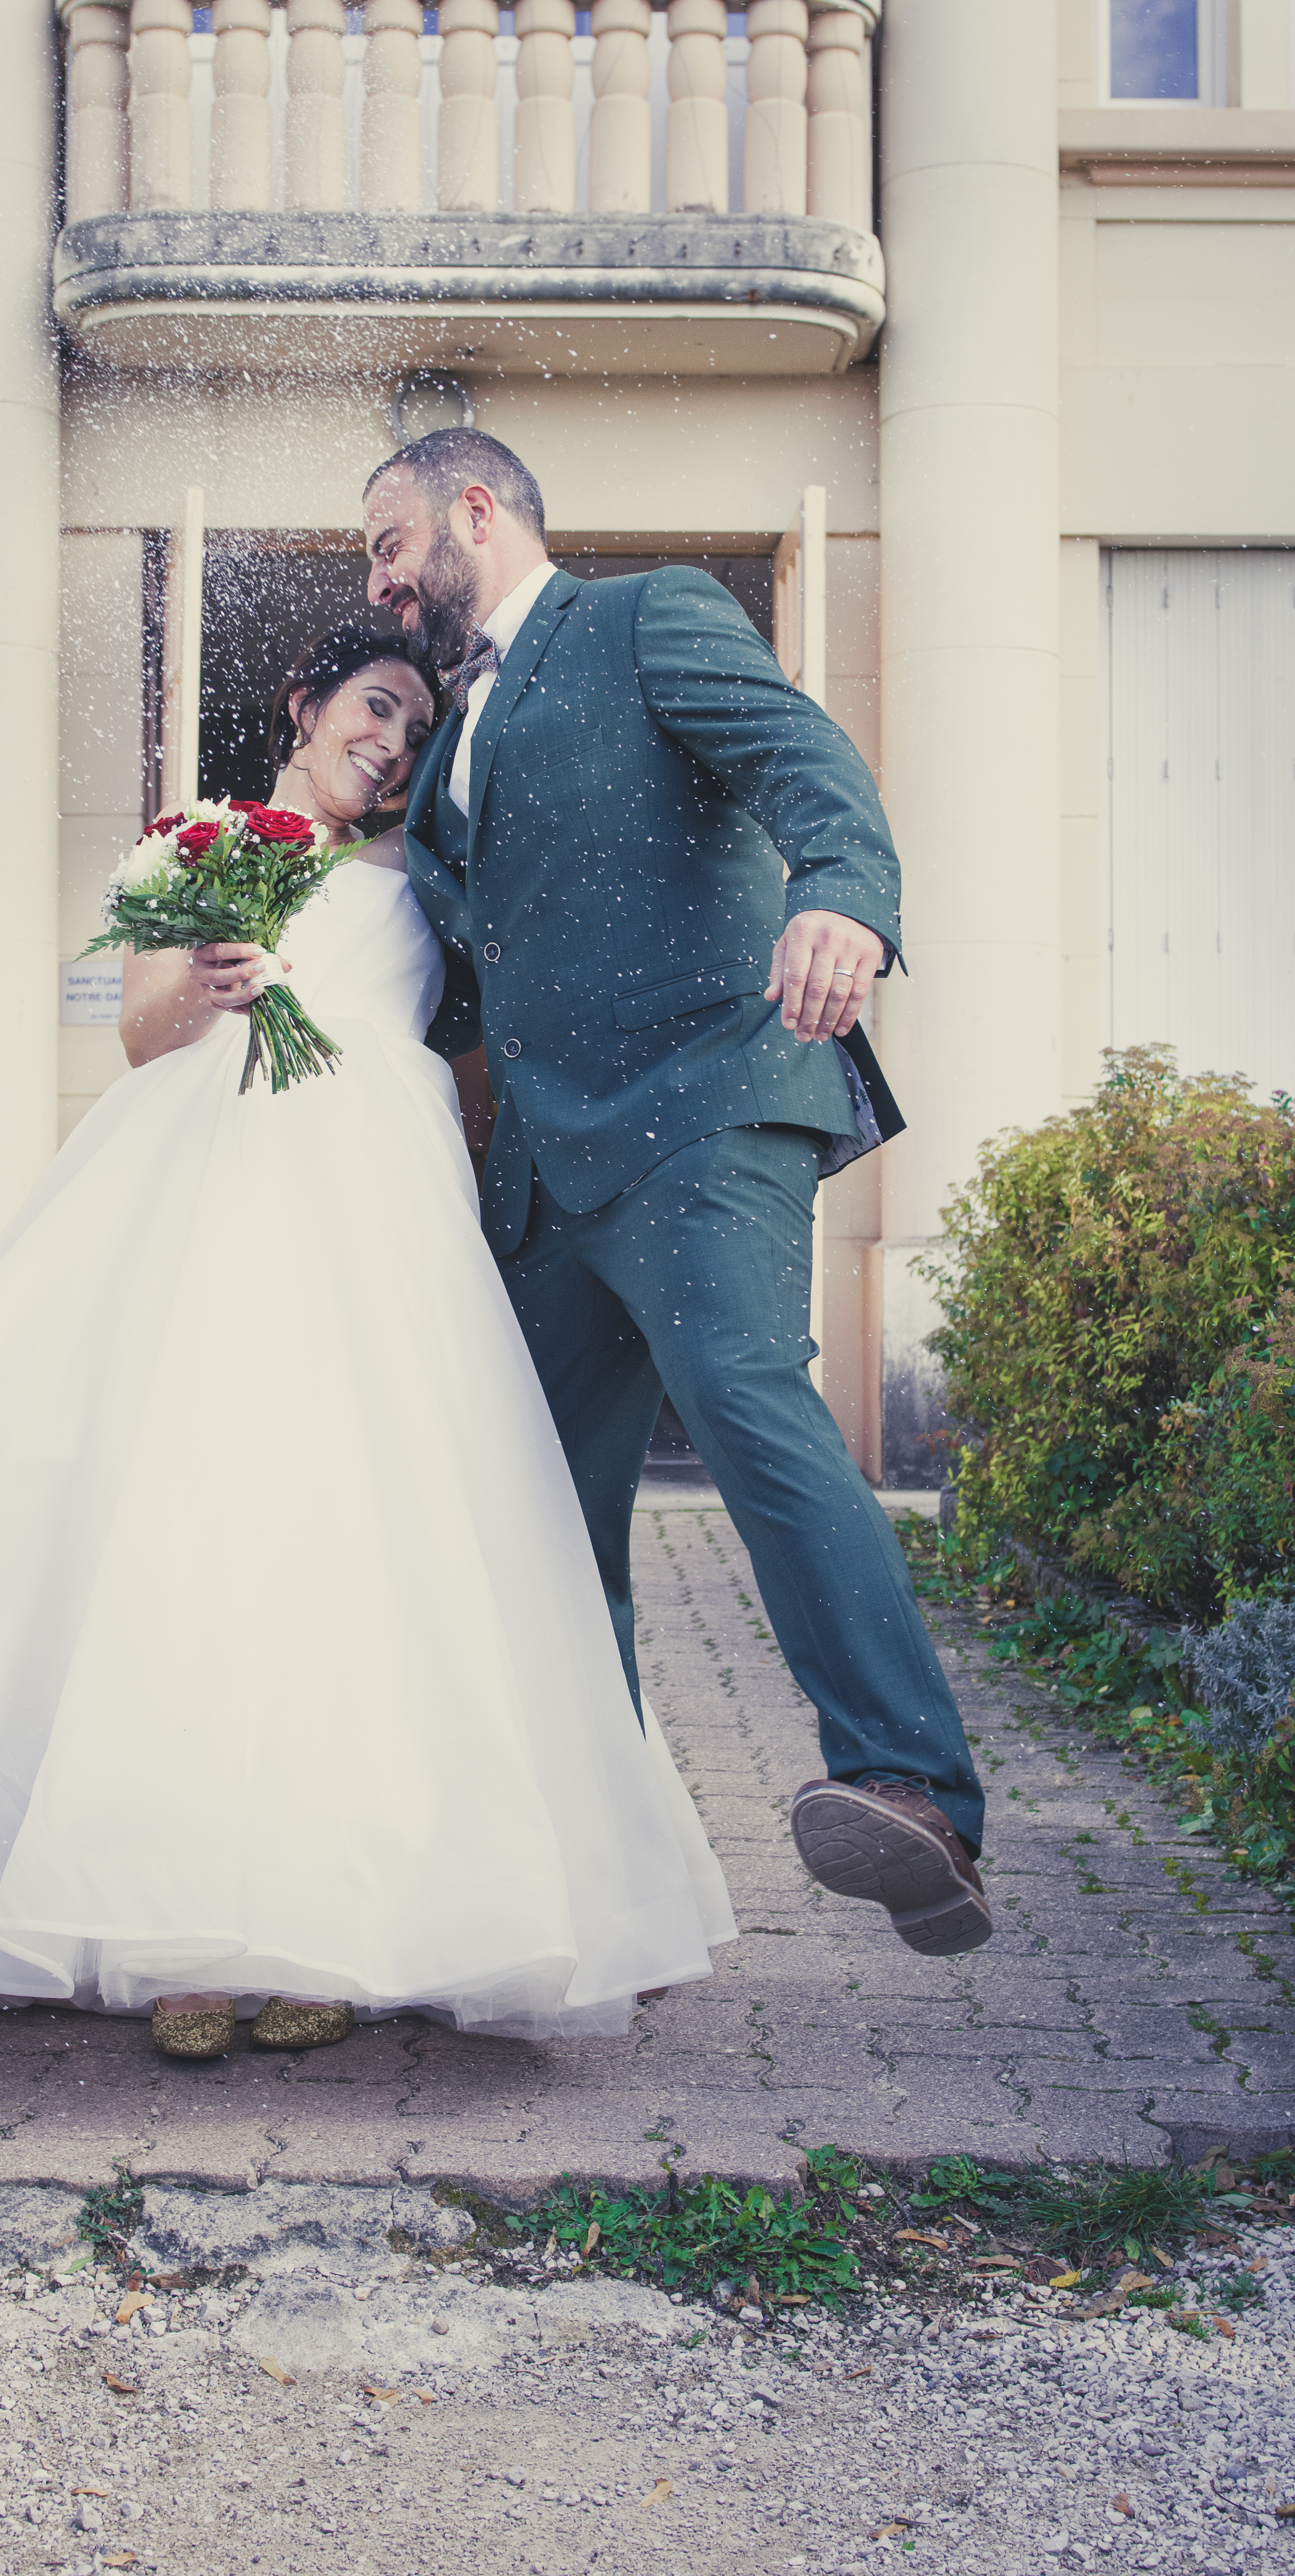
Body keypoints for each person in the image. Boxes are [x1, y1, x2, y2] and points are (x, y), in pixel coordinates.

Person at [0, 624, 734, 2054]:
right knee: (186, 1532)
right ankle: (184, 1941)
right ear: (308, 706)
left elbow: (478, 1051)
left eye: (416, 730)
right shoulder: (201, 840)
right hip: (200, 1203)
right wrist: (211, 987)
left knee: (357, 1543)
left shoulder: (435, 885)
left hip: (376, 1233)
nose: (393, 744)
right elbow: (144, 1033)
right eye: (377, 709)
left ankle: (332, 1925)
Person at [346, 429, 991, 1957]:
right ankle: (593, 1872)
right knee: (534, 1516)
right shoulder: (443, 756)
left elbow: (803, 761)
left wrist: (841, 891)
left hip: (704, 1111)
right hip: (549, 1181)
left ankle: (913, 1787)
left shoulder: (648, 618)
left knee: (749, 1394)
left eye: (387, 541)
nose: (378, 582)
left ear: (476, 510)